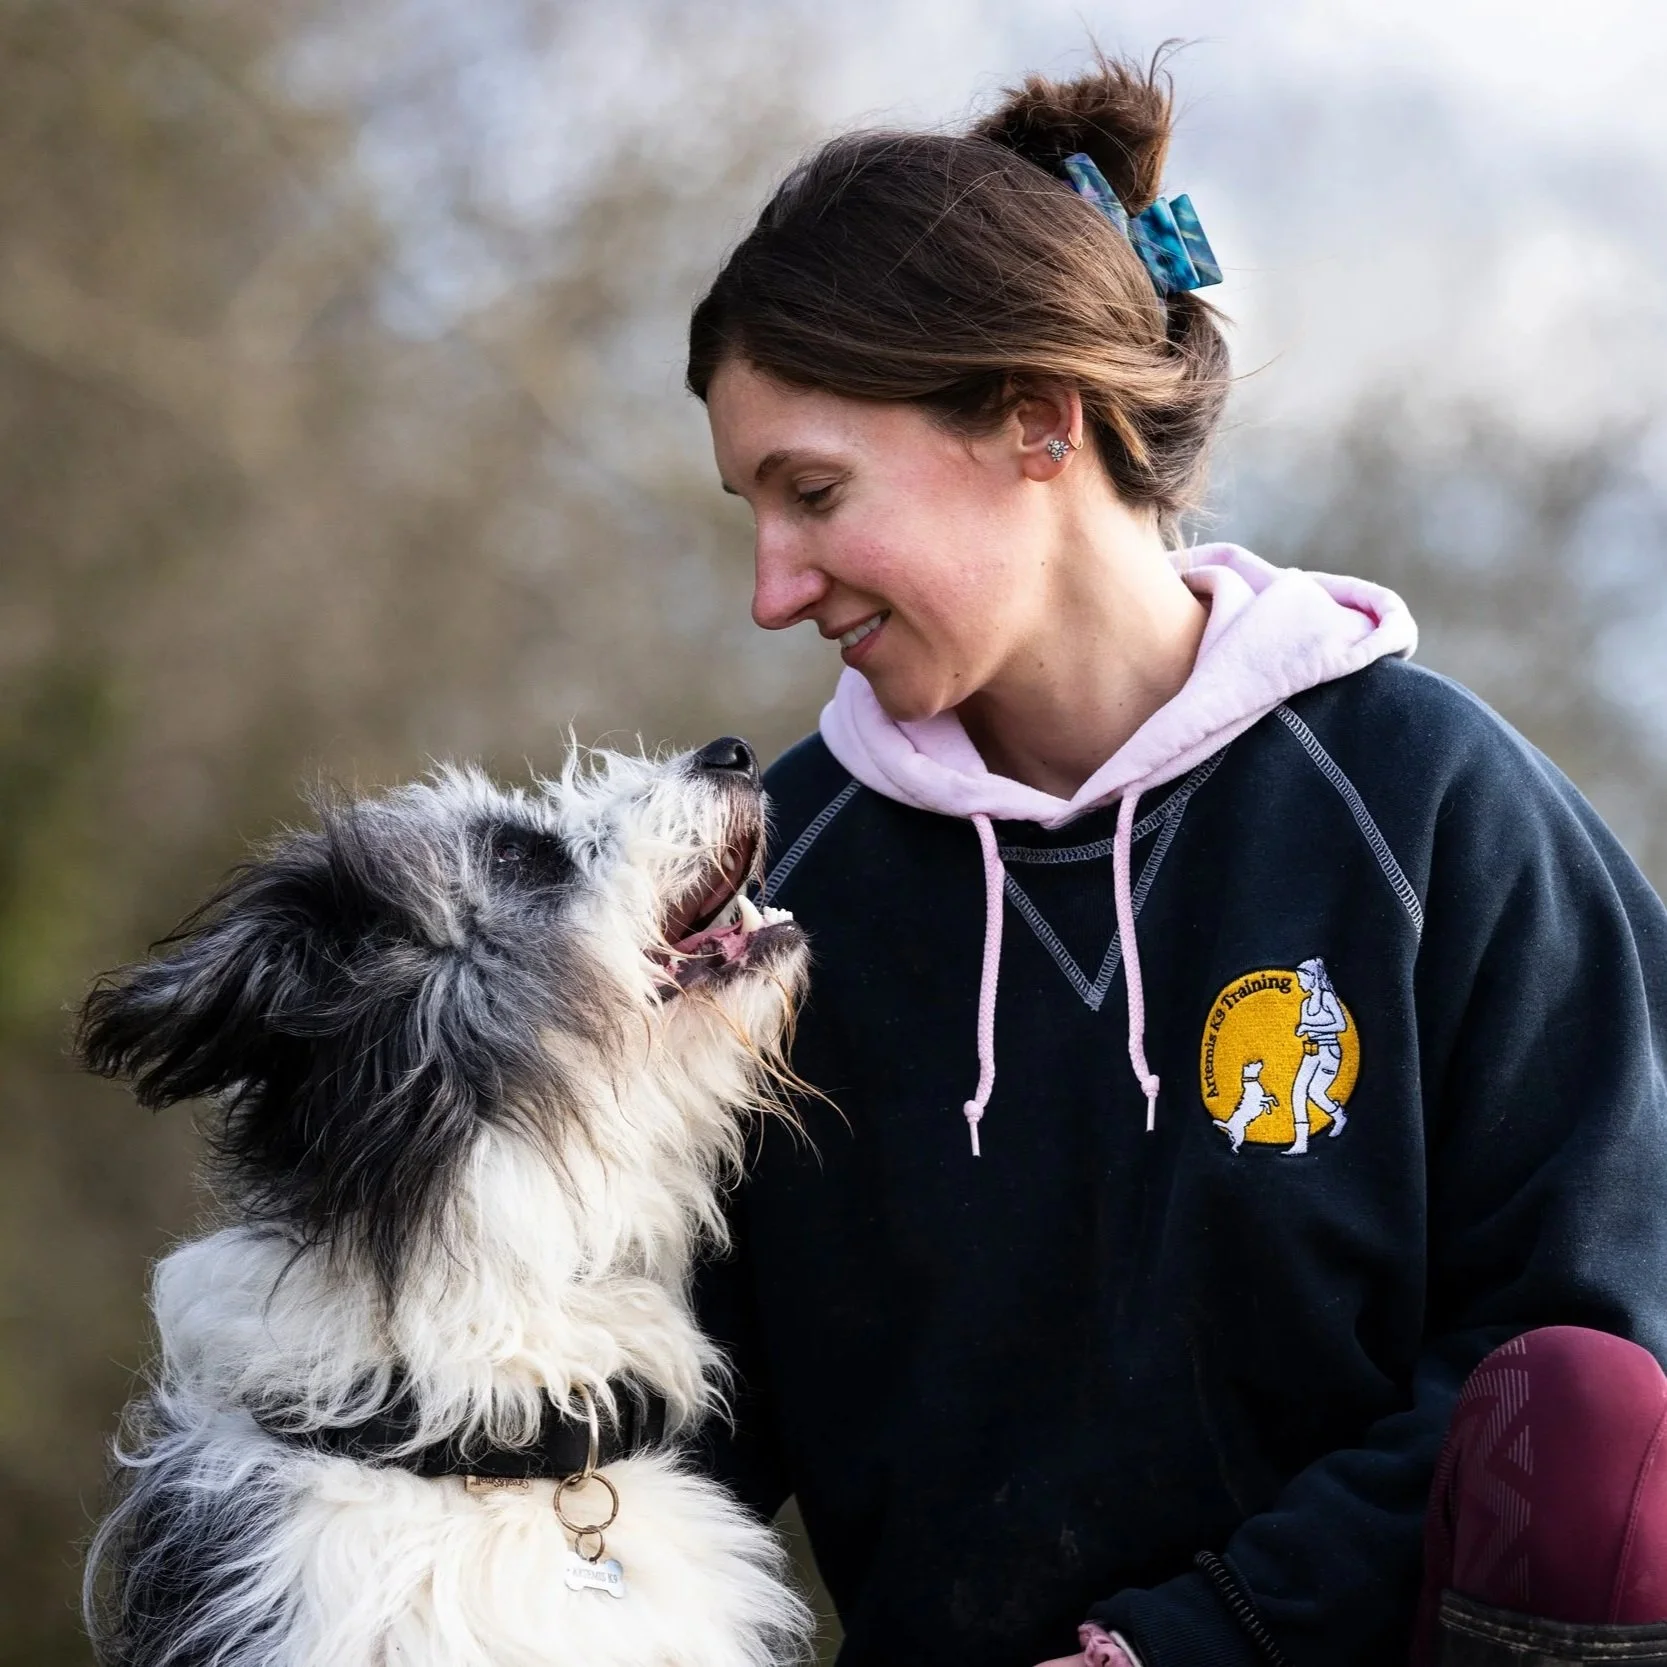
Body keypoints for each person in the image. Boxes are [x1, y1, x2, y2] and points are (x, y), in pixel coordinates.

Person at [683, 52, 1667, 1667]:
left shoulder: (1427, 806)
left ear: (1032, 421)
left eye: (811, 494)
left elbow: (1600, 1338)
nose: (771, 588)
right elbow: (662, 1427)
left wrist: (1200, 1641)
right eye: (749, 511)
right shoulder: (774, 911)